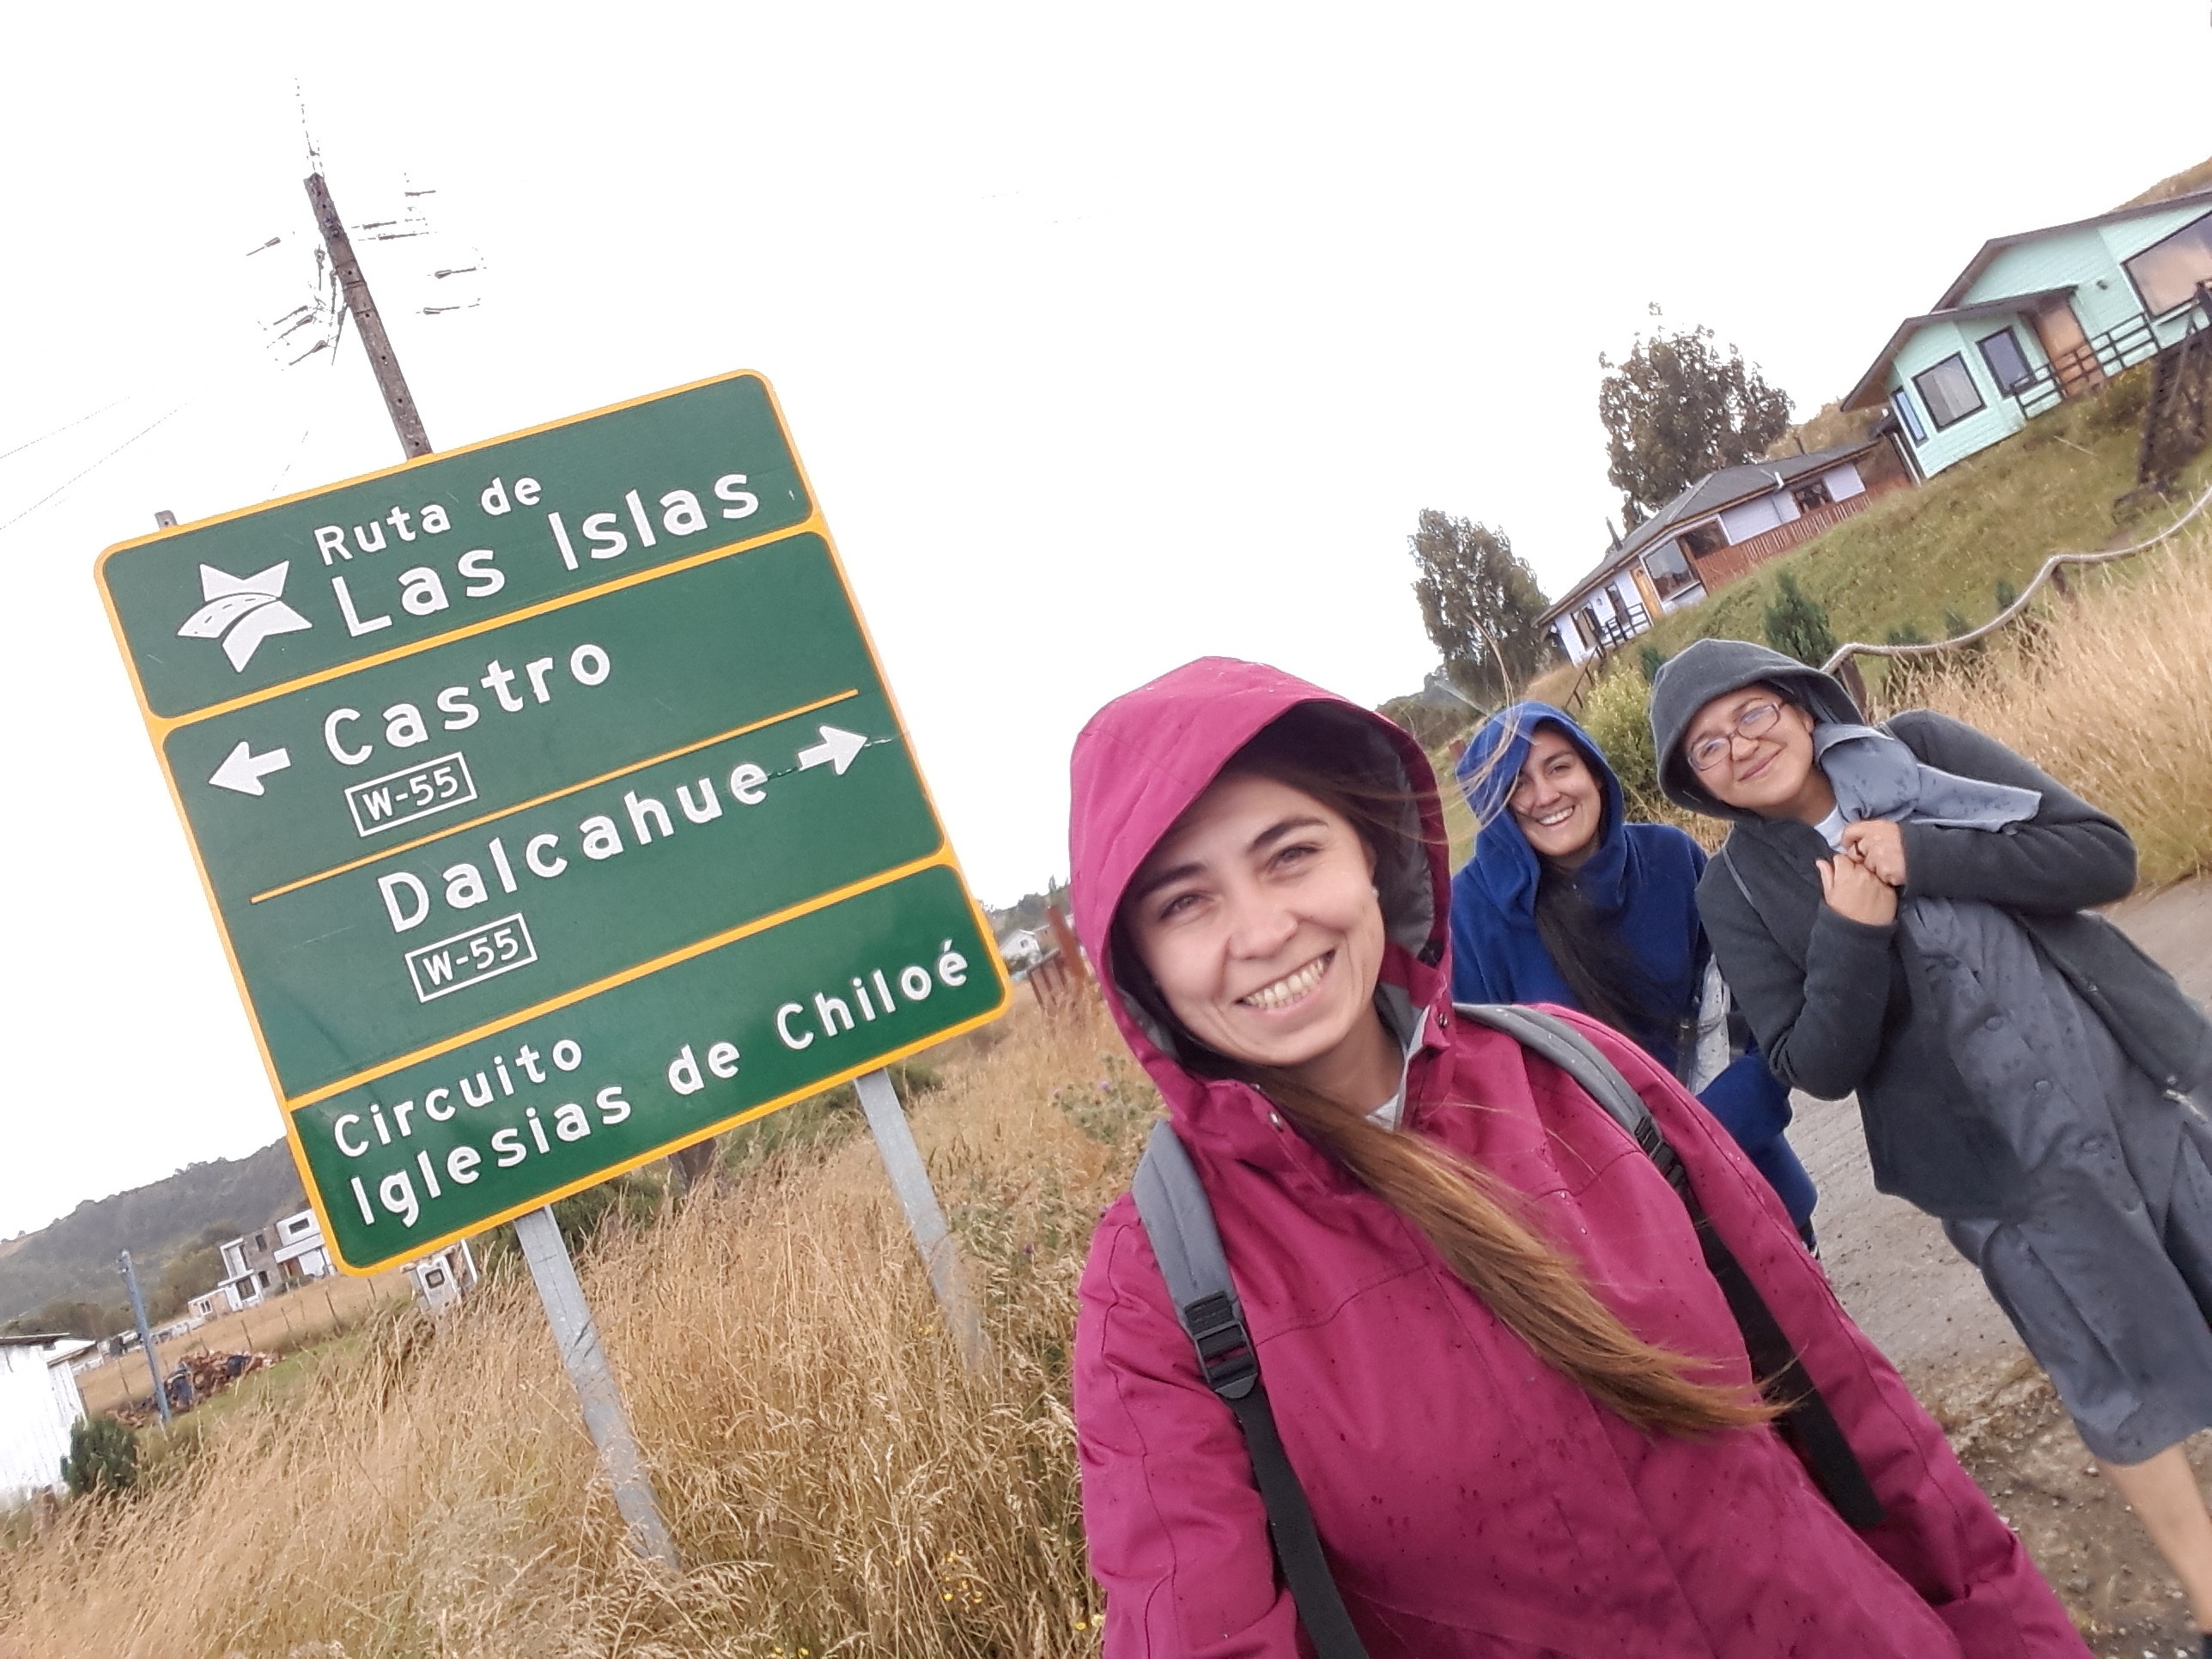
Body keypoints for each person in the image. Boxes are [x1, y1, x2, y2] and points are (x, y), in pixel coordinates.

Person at [1068, 654, 2084, 1656]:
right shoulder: (1155, 1287)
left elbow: (1862, 1423)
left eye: (1290, 853)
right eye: (1183, 902)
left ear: (1370, 857)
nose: (1260, 930)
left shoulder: (1583, 1074)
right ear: (1135, 963)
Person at [1648, 637, 2212, 1657]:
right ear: (1695, 783)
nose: (1738, 746)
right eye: (1706, 747)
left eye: (1749, 713)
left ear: (1799, 704)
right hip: (1995, 1179)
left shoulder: (1921, 751)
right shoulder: (1732, 892)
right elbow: (1813, 1063)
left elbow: (2101, 855)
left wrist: (1927, 854)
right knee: (2109, 1377)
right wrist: (1850, 932)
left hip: (2125, 1091)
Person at [1449, 702, 1817, 1242]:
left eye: (1559, 767)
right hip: (1621, 1234)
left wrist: (1697, 1144)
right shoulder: (1469, 917)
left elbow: (1758, 1018)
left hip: (1749, 1177)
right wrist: (1634, 1177)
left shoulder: (1670, 858)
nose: (1544, 795)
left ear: (1594, 772)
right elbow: (1490, 1106)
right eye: (1516, 783)